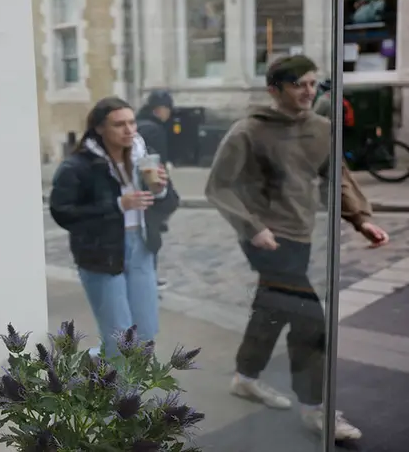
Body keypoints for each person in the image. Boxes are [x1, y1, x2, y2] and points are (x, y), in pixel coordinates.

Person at [206, 55, 389, 441]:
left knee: (271, 309)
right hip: (266, 240)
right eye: (297, 85)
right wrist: (253, 228)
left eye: (311, 83)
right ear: (275, 90)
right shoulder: (248, 131)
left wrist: (361, 219)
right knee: (309, 321)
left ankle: (245, 377)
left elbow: (335, 177)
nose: (308, 91)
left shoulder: (321, 129)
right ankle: (316, 409)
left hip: (300, 236)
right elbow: (218, 186)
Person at [50, 97, 179, 358]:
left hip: (142, 247)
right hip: (102, 255)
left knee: (144, 334)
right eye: (119, 124)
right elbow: (63, 213)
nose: (129, 130)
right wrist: (119, 205)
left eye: (131, 122)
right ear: (99, 128)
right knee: (120, 339)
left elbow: (170, 204)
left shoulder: (145, 157)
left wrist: (161, 190)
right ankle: (119, 396)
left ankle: (108, 377)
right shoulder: (79, 166)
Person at [136, 89, 175, 290]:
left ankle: (148, 276)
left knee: (147, 234)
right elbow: (154, 161)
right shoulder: (154, 129)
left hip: (140, 186)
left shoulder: (139, 124)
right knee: (151, 234)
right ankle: (148, 278)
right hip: (150, 185)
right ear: (160, 109)